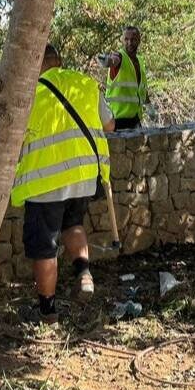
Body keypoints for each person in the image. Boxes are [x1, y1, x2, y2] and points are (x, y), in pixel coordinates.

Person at [12, 44, 115, 324]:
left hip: (46, 182)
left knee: (45, 247)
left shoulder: (28, 95)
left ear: (36, 64)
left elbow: (11, 140)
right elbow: (109, 125)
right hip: (83, 175)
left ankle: (48, 311)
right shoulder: (85, 84)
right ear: (59, 61)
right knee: (73, 225)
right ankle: (84, 274)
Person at [101, 25, 152, 130]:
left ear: (139, 40)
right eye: (126, 39)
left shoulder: (140, 61)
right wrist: (107, 61)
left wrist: (149, 107)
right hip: (118, 120)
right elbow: (113, 60)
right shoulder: (120, 56)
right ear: (122, 40)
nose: (129, 43)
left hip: (135, 119)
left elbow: (142, 89)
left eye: (133, 39)